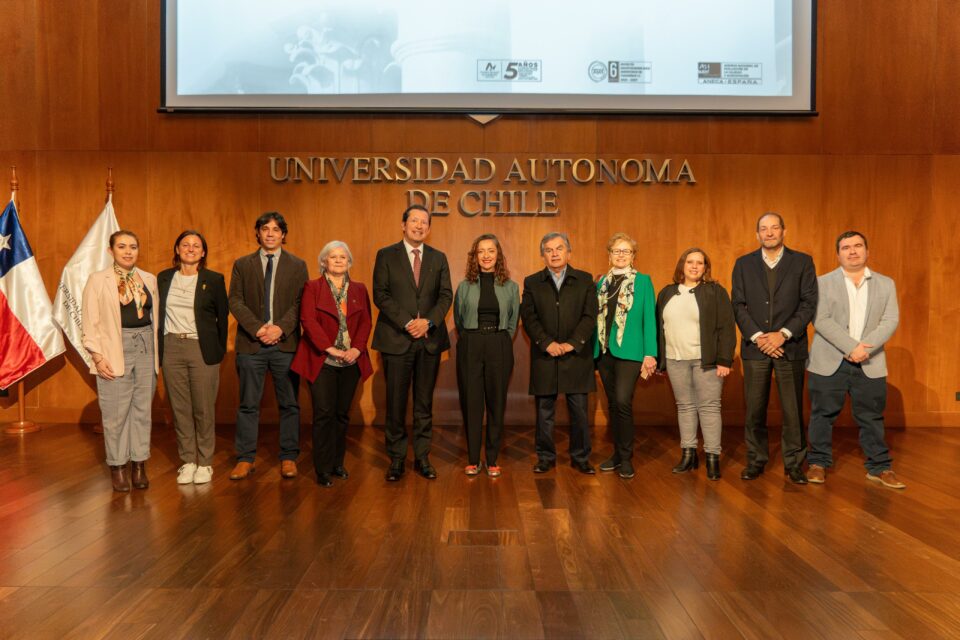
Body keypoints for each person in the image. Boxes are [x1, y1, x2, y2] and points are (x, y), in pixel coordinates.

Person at [806, 231, 904, 489]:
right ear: (838, 254)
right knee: (822, 414)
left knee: (871, 416)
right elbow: (821, 319)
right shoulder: (822, 283)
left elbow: (890, 320)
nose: (852, 251)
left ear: (867, 251)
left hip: (870, 362)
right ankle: (817, 463)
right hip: (829, 360)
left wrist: (864, 350)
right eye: (846, 247)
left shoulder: (886, 283)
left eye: (858, 246)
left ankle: (879, 467)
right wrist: (852, 348)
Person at [731, 212, 817, 484]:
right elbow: (738, 305)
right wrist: (759, 337)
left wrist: (783, 334)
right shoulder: (743, 264)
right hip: (756, 348)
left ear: (784, 231)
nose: (769, 233)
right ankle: (756, 460)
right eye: (763, 229)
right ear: (757, 234)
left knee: (792, 409)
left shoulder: (802, 262)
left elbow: (808, 304)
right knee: (755, 408)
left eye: (774, 228)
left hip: (789, 347)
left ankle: (794, 463)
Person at [372, 204, 453, 481]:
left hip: (429, 341)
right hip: (397, 339)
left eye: (424, 222)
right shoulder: (386, 255)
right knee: (395, 403)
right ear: (403, 224)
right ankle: (396, 459)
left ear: (429, 229)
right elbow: (380, 294)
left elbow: (445, 296)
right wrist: (408, 322)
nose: (419, 226)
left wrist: (427, 322)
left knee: (423, 403)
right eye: (414, 221)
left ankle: (422, 457)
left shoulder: (438, 258)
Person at [228, 212, 309, 480]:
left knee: (289, 404)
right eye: (265, 229)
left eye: (276, 229)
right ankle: (245, 458)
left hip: (285, 345)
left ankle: (288, 457)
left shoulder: (298, 265)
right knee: (248, 404)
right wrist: (260, 329)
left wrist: (279, 329)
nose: (271, 233)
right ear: (258, 233)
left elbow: (301, 302)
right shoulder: (242, 264)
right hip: (251, 344)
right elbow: (236, 301)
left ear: (283, 235)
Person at [82, 230, 159, 492]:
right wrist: (97, 355)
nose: (128, 251)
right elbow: (89, 321)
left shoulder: (148, 279)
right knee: (115, 414)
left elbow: (154, 318)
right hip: (115, 348)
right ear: (110, 250)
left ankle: (139, 464)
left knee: (142, 411)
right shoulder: (97, 280)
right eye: (122, 246)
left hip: (146, 346)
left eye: (133, 247)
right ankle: (118, 466)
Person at [291, 241, 372, 487]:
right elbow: (308, 320)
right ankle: (323, 468)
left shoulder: (359, 289)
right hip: (322, 359)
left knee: (341, 415)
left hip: (350, 361)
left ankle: (338, 463)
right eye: (333, 257)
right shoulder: (312, 287)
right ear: (324, 262)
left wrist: (356, 349)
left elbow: (366, 322)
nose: (338, 261)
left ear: (349, 262)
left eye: (343, 257)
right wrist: (330, 348)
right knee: (324, 414)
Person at [520, 232, 598, 474]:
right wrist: (546, 343)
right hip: (546, 355)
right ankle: (545, 457)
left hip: (576, 355)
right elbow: (529, 317)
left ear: (569, 253)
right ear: (543, 255)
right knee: (544, 412)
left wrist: (573, 343)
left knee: (579, 412)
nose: (554, 253)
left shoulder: (585, 280)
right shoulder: (532, 282)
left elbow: (590, 315)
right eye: (549, 250)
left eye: (559, 248)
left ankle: (581, 458)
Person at [656, 248, 736, 480]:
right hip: (675, 359)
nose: (694, 266)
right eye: (690, 262)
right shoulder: (667, 293)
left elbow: (727, 328)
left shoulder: (715, 292)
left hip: (707, 361)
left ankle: (712, 458)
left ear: (705, 268)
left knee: (709, 407)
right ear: (682, 266)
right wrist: (662, 362)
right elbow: (659, 329)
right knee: (685, 407)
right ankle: (688, 455)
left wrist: (724, 360)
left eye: (699, 263)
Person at [157, 230, 228, 485]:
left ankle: (205, 463)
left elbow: (223, 319)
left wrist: (217, 351)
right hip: (171, 347)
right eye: (185, 244)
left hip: (201, 348)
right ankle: (188, 461)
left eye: (196, 245)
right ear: (177, 249)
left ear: (203, 252)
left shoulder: (214, 279)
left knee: (203, 408)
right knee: (180, 407)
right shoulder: (164, 278)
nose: (190, 249)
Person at [453, 234, 519, 477]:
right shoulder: (464, 286)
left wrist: (500, 339)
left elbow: (513, 321)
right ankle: (473, 459)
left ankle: (492, 459)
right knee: (471, 402)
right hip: (470, 343)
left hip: (499, 344)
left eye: (491, 251)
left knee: (496, 402)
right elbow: (459, 320)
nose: (486, 255)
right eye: (481, 251)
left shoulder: (511, 287)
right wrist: (473, 337)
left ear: (498, 255)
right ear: (475, 256)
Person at [592, 232, 656, 479]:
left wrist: (650, 353)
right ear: (609, 256)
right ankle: (616, 454)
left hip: (630, 352)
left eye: (626, 251)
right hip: (605, 351)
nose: (620, 255)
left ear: (633, 256)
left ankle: (627, 457)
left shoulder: (643, 281)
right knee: (612, 404)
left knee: (622, 401)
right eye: (616, 251)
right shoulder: (601, 283)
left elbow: (649, 318)